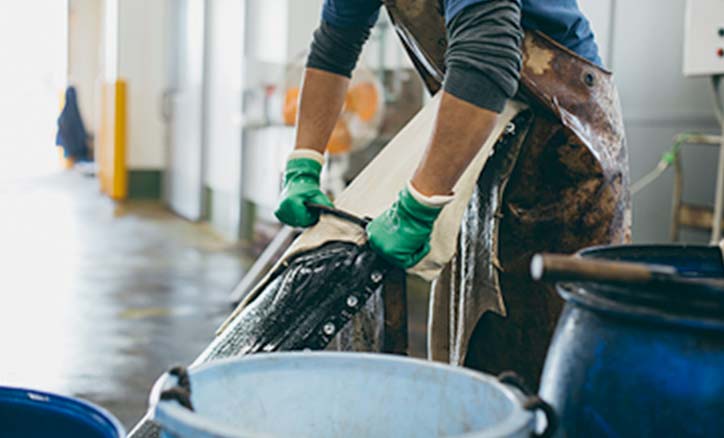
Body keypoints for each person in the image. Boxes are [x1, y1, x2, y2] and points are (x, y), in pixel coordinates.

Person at [275, 0, 629, 386]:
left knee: (549, 361)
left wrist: (419, 205)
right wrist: (304, 160)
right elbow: (336, 43)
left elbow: (487, 60)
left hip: (564, 150)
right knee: (477, 337)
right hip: (484, 140)